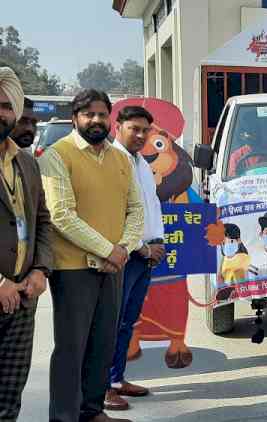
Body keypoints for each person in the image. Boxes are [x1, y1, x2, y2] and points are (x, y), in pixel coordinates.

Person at [39, 89, 144, 422]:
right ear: (75, 118)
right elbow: (61, 214)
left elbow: (136, 208)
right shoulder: (58, 155)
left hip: (113, 266)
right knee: (72, 348)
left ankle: (92, 411)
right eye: (88, 114)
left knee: (102, 343)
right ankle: (64, 417)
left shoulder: (119, 158)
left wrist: (123, 249)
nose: (96, 120)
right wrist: (109, 249)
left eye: (102, 114)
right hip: (73, 269)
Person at [0, 67, 53, 422]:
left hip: (22, 297)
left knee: (8, 397)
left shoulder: (26, 163)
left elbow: (43, 221)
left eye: (6, 105)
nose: (0, 112)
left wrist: (39, 269)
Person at [105, 106, 167, 411]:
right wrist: (142, 248)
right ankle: (103, 387)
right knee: (111, 322)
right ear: (118, 126)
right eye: (134, 128)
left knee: (128, 321)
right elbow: (112, 212)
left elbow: (150, 205)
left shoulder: (140, 162)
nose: (141, 135)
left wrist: (159, 241)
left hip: (146, 254)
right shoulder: (111, 160)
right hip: (126, 255)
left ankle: (117, 380)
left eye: (145, 130)